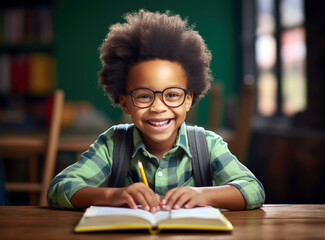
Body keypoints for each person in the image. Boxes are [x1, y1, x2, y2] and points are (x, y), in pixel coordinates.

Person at [48, 9, 265, 212]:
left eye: (172, 95)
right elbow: (59, 188)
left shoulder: (207, 145)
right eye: (144, 96)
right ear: (125, 103)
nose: (158, 107)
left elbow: (254, 189)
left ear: (188, 99)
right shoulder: (112, 144)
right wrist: (112, 196)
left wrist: (204, 195)